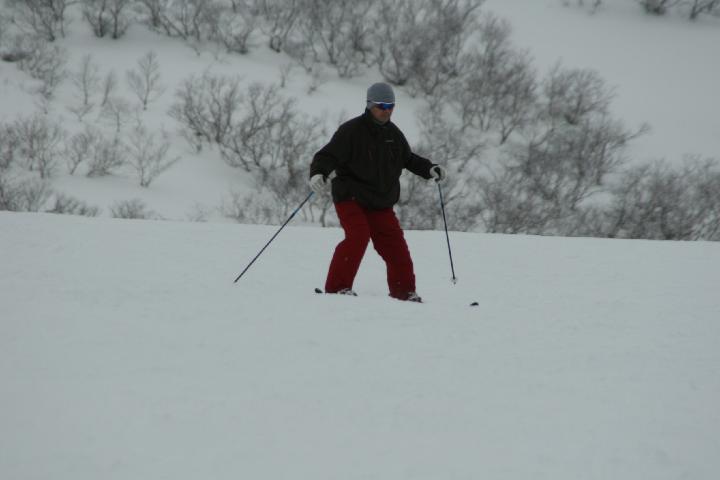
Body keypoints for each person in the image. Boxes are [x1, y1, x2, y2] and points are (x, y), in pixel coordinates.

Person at [309, 82, 447, 302]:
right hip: (350, 197)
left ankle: (404, 293)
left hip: (380, 202)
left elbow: (409, 159)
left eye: (391, 106)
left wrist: (430, 169)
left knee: (396, 246)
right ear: (369, 104)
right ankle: (337, 289)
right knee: (358, 236)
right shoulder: (352, 131)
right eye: (381, 106)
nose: (387, 110)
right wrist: (318, 173)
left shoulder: (394, 134)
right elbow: (327, 156)